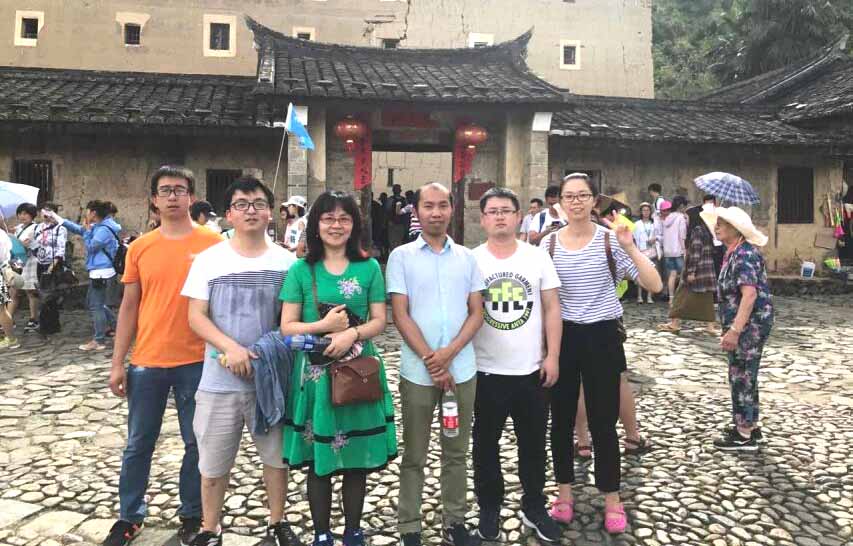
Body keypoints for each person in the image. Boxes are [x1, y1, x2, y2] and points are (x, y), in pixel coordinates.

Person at [102, 166, 222, 546]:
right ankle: (129, 516)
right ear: (154, 199)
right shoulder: (140, 247)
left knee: (196, 442)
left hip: (197, 360)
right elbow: (129, 307)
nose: (173, 196)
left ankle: (192, 514)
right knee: (138, 443)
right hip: (148, 361)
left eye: (180, 190)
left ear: (191, 197)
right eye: (165, 190)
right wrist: (117, 362)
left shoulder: (213, 244)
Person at [183, 176, 301, 546]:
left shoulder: (287, 262)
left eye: (258, 203)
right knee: (213, 462)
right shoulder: (209, 260)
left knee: (276, 458)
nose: (251, 210)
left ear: (271, 212)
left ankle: (277, 522)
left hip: (270, 380)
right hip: (219, 379)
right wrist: (230, 349)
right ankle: (210, 528)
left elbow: (289, 319)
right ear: (229, 214)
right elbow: (196, 316)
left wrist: (262, 354)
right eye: (241, 204)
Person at [543, 173, 661, 534]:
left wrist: (630, 246)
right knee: (561, 421)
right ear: (560, 202)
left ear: (595, 201)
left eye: (583, 196)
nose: (576, 202)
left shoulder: (611, 240)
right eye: (569, 196)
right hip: (563, 337)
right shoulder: (548, 245)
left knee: (604, 422)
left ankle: (612, 497)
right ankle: (564, 493)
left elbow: (654, 284)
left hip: (603, 337)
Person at [280, 191, 396, 546]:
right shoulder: (301, 270)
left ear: (354, 225)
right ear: (315, 224)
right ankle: (321, 533)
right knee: (320, 459)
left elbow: (380, 320)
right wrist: (324, 326)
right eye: (328, 218)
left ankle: (353, 531)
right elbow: (288, 327)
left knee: (355, 458)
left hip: (358, 373)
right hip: (316, 378)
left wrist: (351, 334)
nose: (336, 225)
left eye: (344, 218)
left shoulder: (369, 268)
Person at [387, 182, 485, 546]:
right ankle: (409, 525)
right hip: (418, 374)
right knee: (415, 453)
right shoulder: (401, 257)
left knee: (456, 451)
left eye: (443, 205)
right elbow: (401, 314)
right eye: (428, 205)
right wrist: (433, 361)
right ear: (416, 211)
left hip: (462, 372)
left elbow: (477, 313)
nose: (436, 212)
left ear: (452, 209)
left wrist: (449, 354)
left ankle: (454, 521)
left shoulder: (467, 258)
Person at [471, 188, 561, 543]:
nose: (499, 217)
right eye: (492, 211)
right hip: (485, 370)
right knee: (485, 445)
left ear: (519, 216)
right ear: (483, 219)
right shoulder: (471, 260)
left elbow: (552, 308)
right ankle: (489, 506)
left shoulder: (537, 257)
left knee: (534, 444)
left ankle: (534, 505)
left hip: (531, 370)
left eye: (506, 210)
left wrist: (552, 355)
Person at [700, 207, 774, 451]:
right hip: (745, 323)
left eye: (722, 223)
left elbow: (749, 294)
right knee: (744, 373)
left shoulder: (744, 254)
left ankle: (744, 434)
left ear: (736, 229)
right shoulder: (733, 252)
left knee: (741, 374)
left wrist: (734, 330)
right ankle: (749, 425)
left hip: (749, 325)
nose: (717, 227)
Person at [45, 201, 122, 350]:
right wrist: (58, 218)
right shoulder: (99, 226)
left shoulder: (104, 229)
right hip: (99, 270)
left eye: (87, 211)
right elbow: (79, 229)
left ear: (93, 213)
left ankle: (99, 340)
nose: (86, 214)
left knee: (96, 306)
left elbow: (92, 246)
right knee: (94, 303)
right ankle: (117, 328)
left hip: (102, 271)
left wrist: (87, 232)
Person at [659, 205, 718, 333]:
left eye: (687, 217)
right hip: (706, 271)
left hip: (697, 271)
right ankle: (710, 326)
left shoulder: (697, 231)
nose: (686, 220)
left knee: (681, 296)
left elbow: (696, 252)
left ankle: (675, 323)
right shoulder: (705, 230)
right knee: (706, 299)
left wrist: (691, 271)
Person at [10, 203, 40, 331]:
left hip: (30, 261)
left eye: (25, 213)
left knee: (30, 291)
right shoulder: (18, 228)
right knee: (13, 290)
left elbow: (26, 244)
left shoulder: (35, 228)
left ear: (32, 215)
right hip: (17, 261)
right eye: (20, 213)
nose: (22, 216)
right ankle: (8, 319)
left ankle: (34, 319)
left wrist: (12, 238)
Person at [657, 199, 687, 322]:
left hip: (668, 251)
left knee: (672, 275)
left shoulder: (666, 219)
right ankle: (682, 299)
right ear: (681, 206)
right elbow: (682, 235)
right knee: (684, 275)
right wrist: (684, 249)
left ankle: (671, 298)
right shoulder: (681, 218)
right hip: (678, 250)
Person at [32, 202, 68, 285]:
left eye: (48, 211)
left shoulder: (60, 228)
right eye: (44, 211)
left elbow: (61, 249)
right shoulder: (38, 227)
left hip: (53, 264)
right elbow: (35, 244)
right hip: (40, 262)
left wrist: (51, 267)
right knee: (42, 287)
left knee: (52, 288)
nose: (45, 214)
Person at [633, 202, 659, 304]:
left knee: (651, 274)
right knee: (640, 274)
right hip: (641, 251)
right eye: (644, 210)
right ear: (641, 212)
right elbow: (634, 238)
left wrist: (655, 238)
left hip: (652, 250)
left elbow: (659, 235)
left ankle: (649, 296)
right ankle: (639, 296)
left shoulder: (654, 223)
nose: (646, 212)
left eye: (648, 210)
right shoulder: (637, 224)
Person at [0, 225, 19, 349]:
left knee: (1, 310)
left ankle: (12, 339)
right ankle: (10, 339)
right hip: (2, 271)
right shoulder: (2, 234)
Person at [386, 184, 408, 250]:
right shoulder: (403, 200)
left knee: (396, 241)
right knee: (395, 241)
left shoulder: (391, 199)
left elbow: (387, 210)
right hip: (395, 223)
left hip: (398, 224)